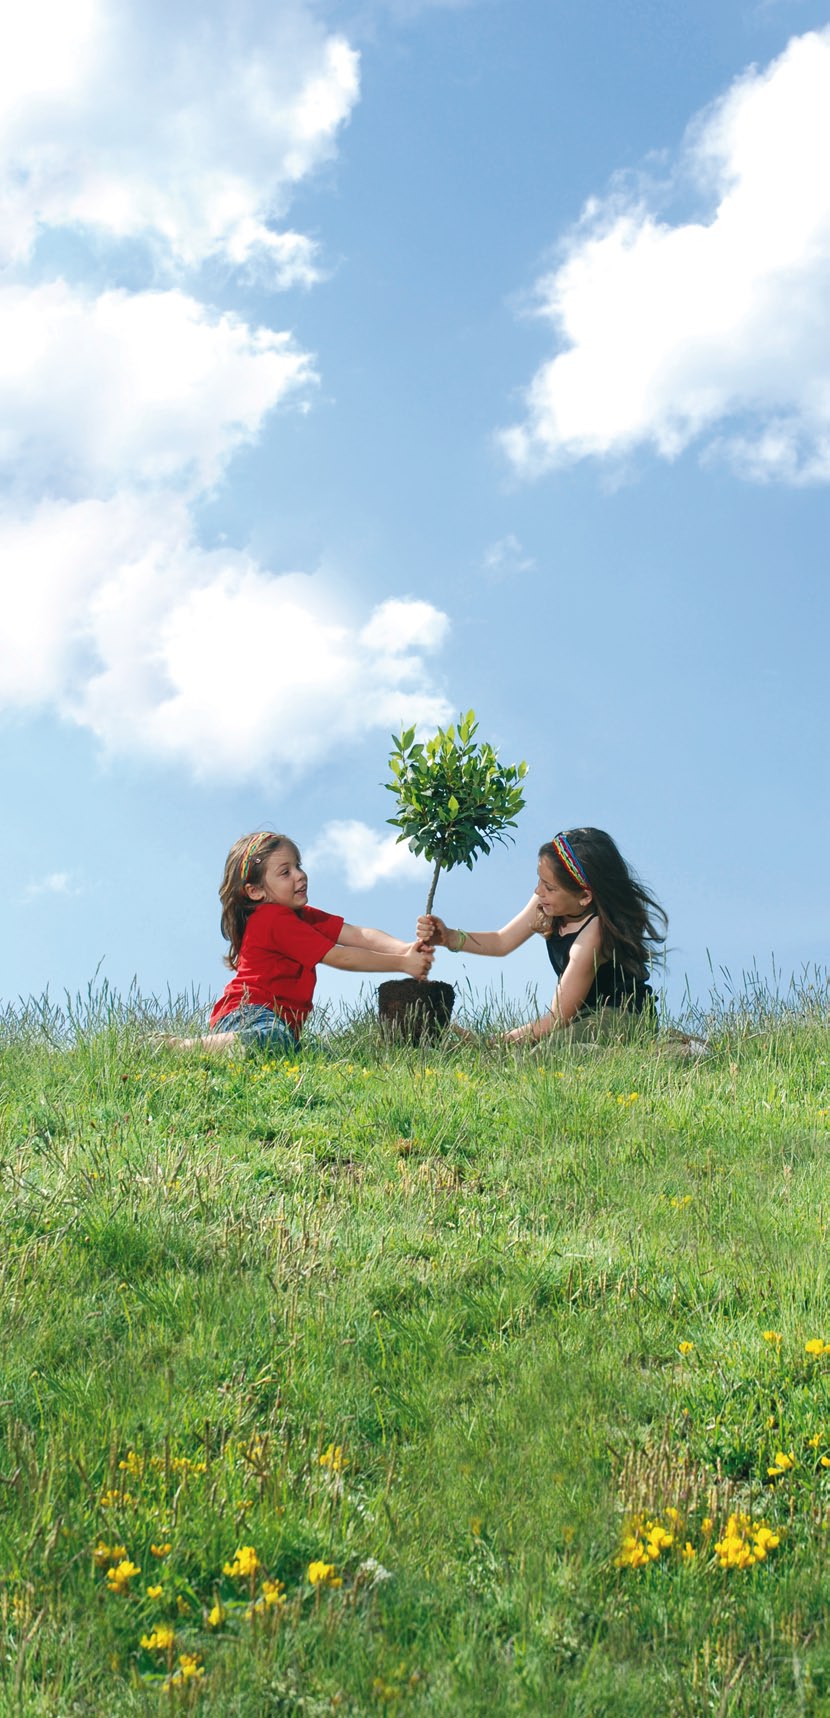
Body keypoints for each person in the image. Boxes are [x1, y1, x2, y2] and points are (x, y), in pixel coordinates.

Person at [178, 830, 433, 1052]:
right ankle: (184, 1048)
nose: (300, 875)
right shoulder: (273, 919)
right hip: (248, 1014)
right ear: (255, 891)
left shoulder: (299, 915)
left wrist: (405, 949)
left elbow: (356, 934)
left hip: (275, 1021)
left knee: (319, 1053)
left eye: (298, 866)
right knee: (275, 1041)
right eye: (285, 872)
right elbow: (340, 956)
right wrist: (403, 964)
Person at [417, 828, 667, 1045]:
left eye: (549, 887)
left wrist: (491, 1044)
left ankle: (673, 1049)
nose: (538, 891)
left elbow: (557, 1018)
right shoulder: (548, 902)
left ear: (584, 896)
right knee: (541, 1049)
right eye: (540, 880)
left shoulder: (594, 934)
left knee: (541, 1059)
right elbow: (502, 941)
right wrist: (449, 937)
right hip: (581, 1014)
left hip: (621, 1017)